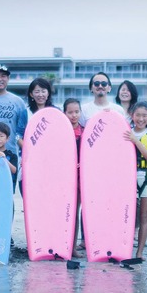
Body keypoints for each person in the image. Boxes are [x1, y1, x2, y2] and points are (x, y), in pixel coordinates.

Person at [123, 101, 147, 261]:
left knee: (144, 216)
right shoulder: (127, 132)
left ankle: (139, 253)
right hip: (129, 178)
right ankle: (124, 249)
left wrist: (136, 140)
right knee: (128, 216)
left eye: (144, 115)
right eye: (137, 115)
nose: (140, 118)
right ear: (132, 115)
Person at [17, 78, 57, 195]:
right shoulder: (26, 113)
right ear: (31, 94)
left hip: (50, 160)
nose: (40, 95)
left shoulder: (55, 112)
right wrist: (30, 149)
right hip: (29, 160)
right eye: (37, 91)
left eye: (43, 91)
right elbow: (17, 135)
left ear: (48, 93)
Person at [64, 98, 84, 258]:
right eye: (70, 112)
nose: (73, 115)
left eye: (76, 111)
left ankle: (73, 248)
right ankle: (62, 246)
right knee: (64, 213)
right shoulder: (61, 131)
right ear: (64, 113)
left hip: (81, 179)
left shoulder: (85, 131)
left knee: (76, 213)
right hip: (65, 179)